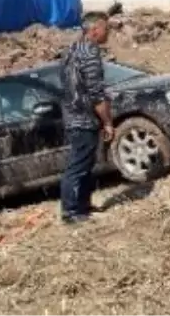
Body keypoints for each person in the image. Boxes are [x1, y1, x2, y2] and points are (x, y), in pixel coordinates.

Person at [59, 12, 114, 225]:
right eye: (106, 29)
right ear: (94, 31)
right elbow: (96, 92)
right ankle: (71, 212)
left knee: (85, 163)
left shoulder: (71, 51)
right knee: (78, 165)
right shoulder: (90, 53)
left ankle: (83, 206)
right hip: (84, 118)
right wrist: (108, 122)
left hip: (72, 116)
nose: (108, 33)